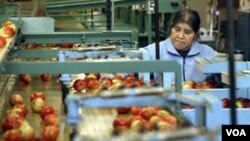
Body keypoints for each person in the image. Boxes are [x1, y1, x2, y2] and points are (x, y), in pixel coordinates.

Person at [144, 8, 218, 83]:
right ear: (171, 28)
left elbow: (223, 77)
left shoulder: (208, 53)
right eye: (177, 29)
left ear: (196, 35)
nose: (180, 36)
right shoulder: (153, 51)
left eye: (187, 32)